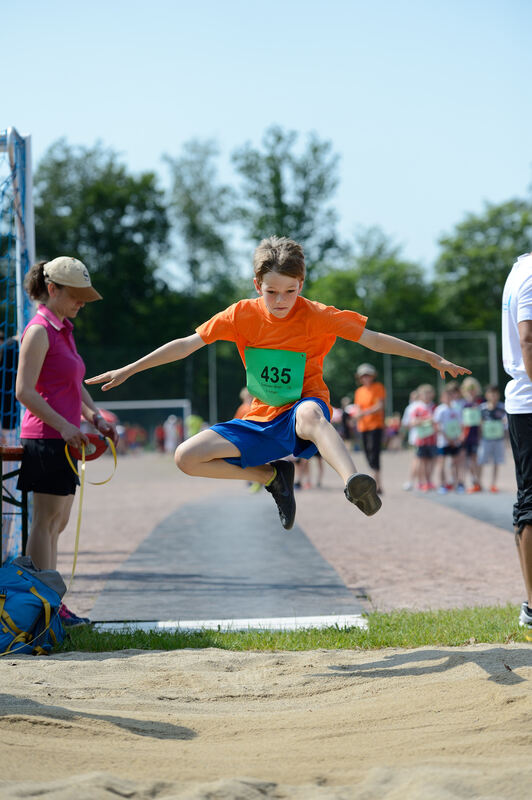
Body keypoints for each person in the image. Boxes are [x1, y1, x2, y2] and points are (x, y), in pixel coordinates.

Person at [87, 235, 469, 531]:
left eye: (290, 290)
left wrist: (430, 357)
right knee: (185, 457)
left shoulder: (318, 315)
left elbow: (375, 339)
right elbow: (187, 345)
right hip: (260, 417)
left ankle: (354, 479)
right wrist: (129, 369)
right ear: (257, 285)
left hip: (303, 406)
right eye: (272, 291)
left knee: (309, 416)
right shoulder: (240, 315)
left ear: (301, 284)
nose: (282, 300)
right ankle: (272, 476)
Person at [15, 257, 118, 627]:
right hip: (44, 439)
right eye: (76, 295)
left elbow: (73, 385)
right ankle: (42, 607)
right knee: (45, 524)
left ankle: (51, 604)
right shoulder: (39, 330)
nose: (82, 302)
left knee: (57, 524)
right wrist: (64, 426)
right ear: (53, 289)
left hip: (64, 439)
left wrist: (94, 418)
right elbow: (24, 392)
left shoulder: (64, 329)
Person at [501, 251, 532, 633]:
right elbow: (528, 336)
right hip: (529, 401)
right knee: (531, 500)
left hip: (523, 400)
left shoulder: (519, 268)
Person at [353, 363, 386, 494]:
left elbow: (380, 406)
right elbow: (358, 409)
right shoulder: (359, 391)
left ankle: (377, 483)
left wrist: (364, 413)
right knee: (367, 453)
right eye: (363, 376)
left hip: (375, 425)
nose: (365, 378)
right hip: (363, 426)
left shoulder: (378, 387)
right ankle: (376, 483)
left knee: (374, 453)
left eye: (368, 375)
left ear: (372, 376)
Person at [433, 385, 463, 493]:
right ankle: (442, 484)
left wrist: (458, 437)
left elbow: (460, 424)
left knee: (456, 462)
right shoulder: (440, 410)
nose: (449, 398)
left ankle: (457, 484)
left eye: (451, 396)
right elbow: (436, 425)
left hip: (455, 440)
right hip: (443, 441)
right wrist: (447, 437)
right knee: (442, 462)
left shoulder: (456, 409)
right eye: (446, 396)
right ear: (442, 398)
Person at [478, 385, 506, 493]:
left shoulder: (502, 407)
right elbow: (479, 423)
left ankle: (493, 484)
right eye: (491, 393)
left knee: (496, 461)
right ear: (487, 395)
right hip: (486, 439)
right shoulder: (482, 408)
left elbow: (506, 422)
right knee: (481, 460)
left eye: (495, 393)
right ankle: (479, 483)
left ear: (498, 395)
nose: (493, 396)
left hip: (498, 439)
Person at [409, 384, 437, 491]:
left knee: (431, 461)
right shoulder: (417, 408)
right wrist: (425, 420)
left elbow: (437, 420)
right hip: (421, 439)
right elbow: (412, 422)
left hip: (432, 439)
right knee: (422, 461)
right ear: (420, 395)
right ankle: (422, 482)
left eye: (428, 394)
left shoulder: (434, 407)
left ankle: (429, 481)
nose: (426, 396)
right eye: (424, 394)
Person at [460, 376, 483, 493]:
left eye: (473, 388)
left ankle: (478, 481)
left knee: (477, 459)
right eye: (468, 388)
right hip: (467, 435)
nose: (471, 390)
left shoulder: (481, 402)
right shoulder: (463, 404)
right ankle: (473, 481)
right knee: (469, 459)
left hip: (479, 435)